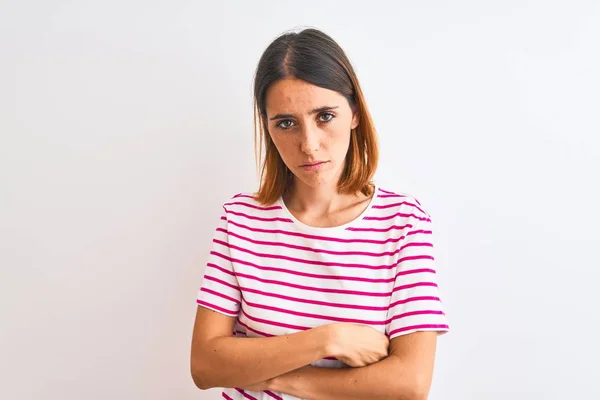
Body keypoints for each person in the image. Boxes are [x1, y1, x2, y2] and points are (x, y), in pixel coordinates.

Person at [190, 27, 449, 400]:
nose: (309, 145)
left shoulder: (402, 222)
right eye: (286, 123)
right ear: (267, 127)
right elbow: (205, 366)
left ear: (355, 113)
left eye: (325, 116)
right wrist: (330, 339)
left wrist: (277, 377)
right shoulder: (240, 220)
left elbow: (409, 383)